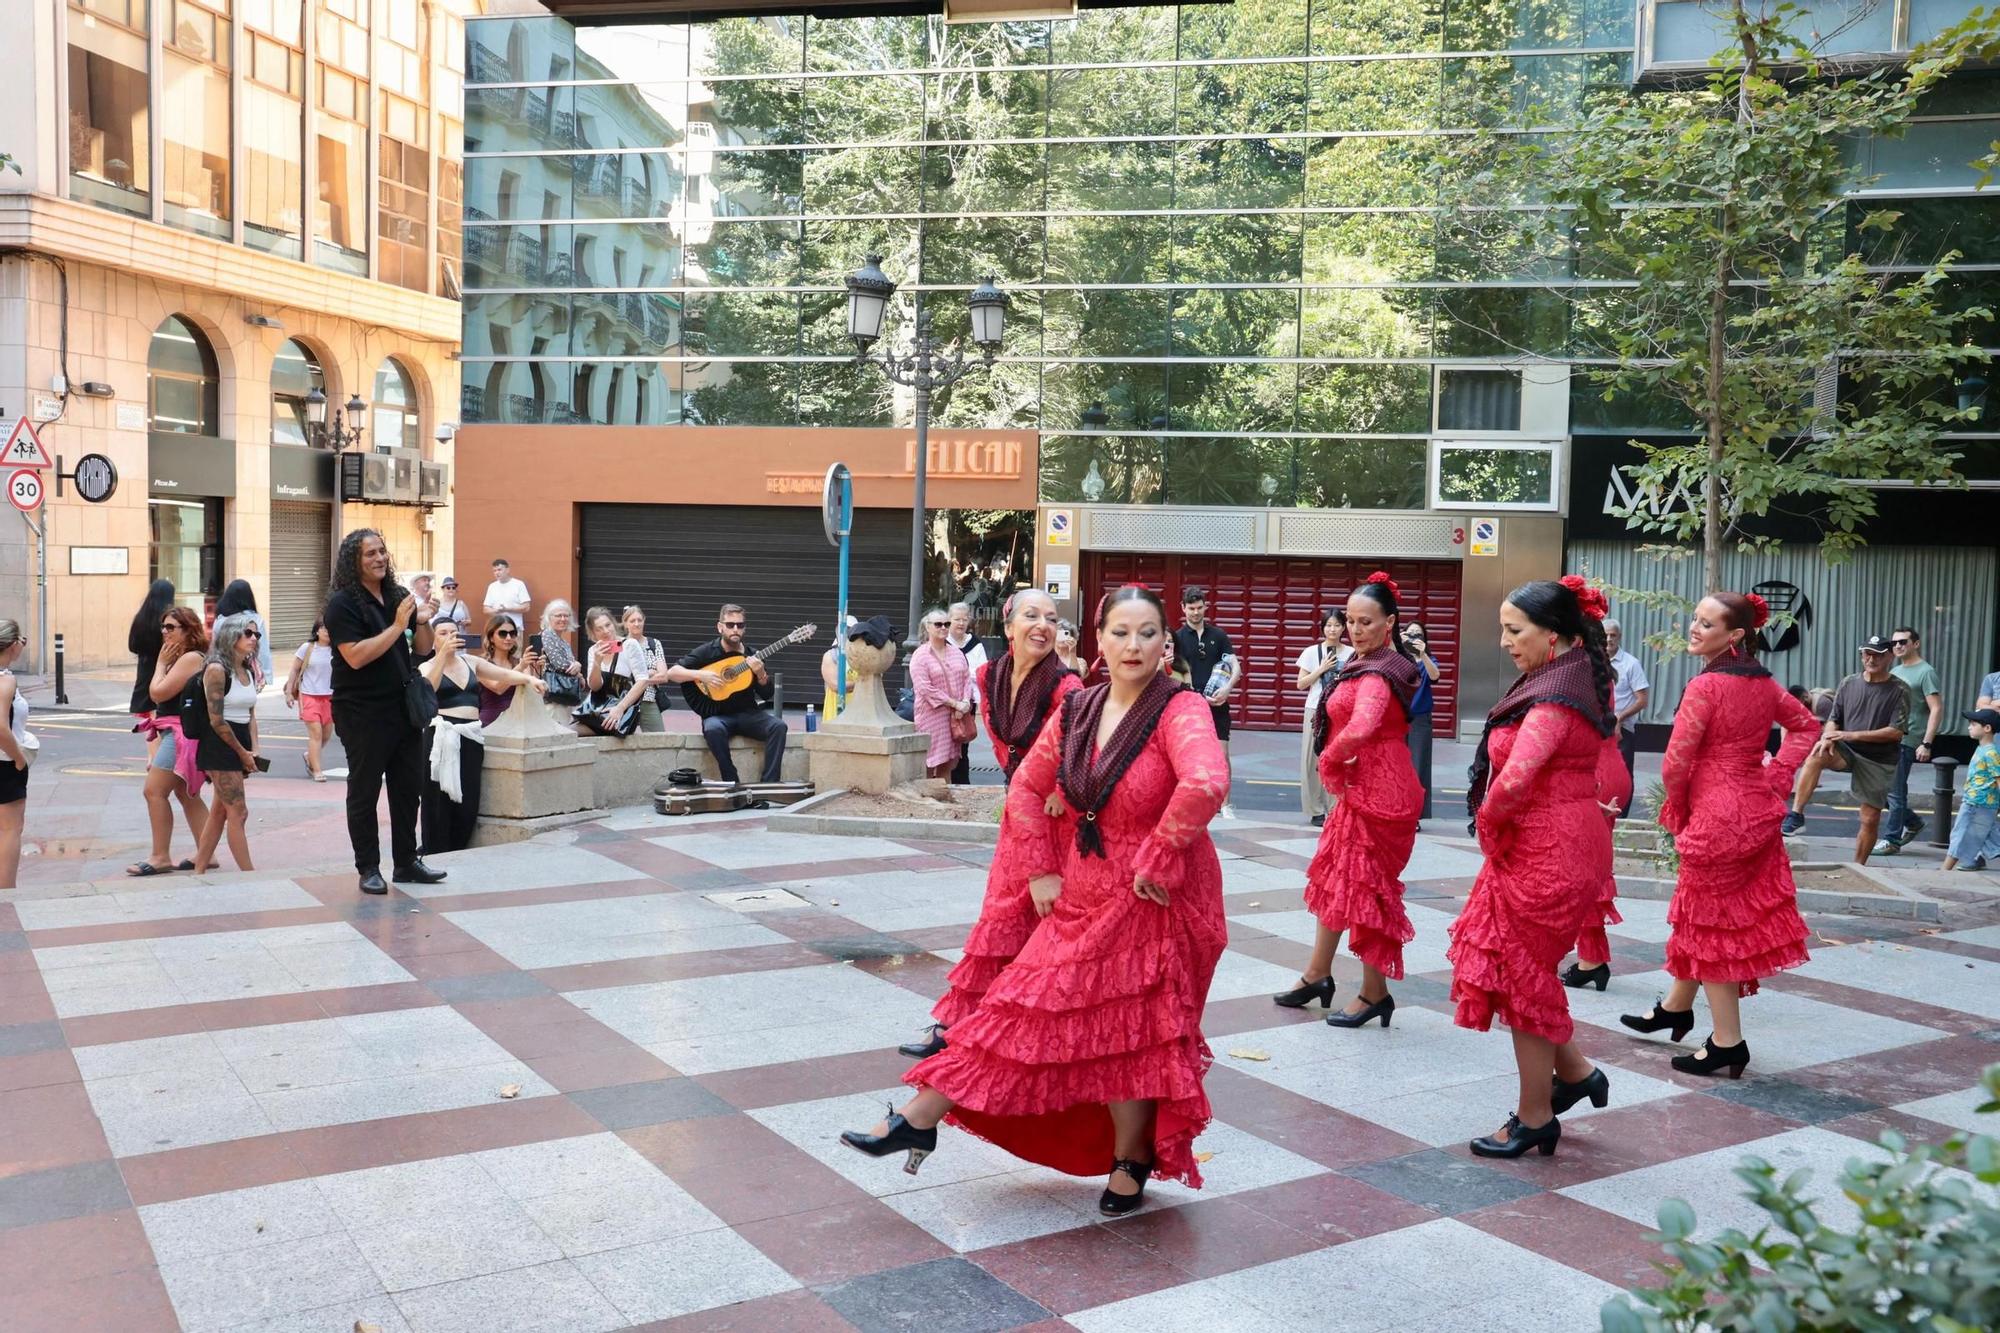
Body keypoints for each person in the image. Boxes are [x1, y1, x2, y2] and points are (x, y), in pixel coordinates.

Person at [843, 586, 1229, 1217]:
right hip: (1079, 890)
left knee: (1134, 1036)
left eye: (1148, 634)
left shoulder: (1179, 709)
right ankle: (922, 1116)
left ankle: (1127, 1160)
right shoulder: (1080, 709)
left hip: (1150, 898)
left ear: (1165, 644)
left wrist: (1161, 852)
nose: (1134, 645)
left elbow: (1207, 779)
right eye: (1121, 632)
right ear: (1098, 640)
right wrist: (1042, 871)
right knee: (1016, 1001)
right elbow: (1025, 788)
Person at [1449, 576, 1617, 1159]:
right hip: (1559, 839)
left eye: (1514, 630)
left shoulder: (1553, 696)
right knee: (1521, 968)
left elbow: (1517, 777)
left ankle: (1535, 1116)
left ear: (1555, 634)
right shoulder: (1565, 676)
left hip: (1547, 848)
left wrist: (1490, 830)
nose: (1504, 642)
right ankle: (1574, 1074)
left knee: (1522, 975)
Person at [1621, 592, 1820, 1080]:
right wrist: (1775, 778)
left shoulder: (1706, 686)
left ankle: (1728, 1042)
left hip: (1716, 815)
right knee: (1704, 915)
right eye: (1695, 618)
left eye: (1705, 624)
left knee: (1711, 924)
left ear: (1734, 637)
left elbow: (1676, 762)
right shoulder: (1765, 685)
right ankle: (1675, 1006)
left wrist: (1680, 809)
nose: (1694, 628)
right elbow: (1806, 726)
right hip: (1754, 810)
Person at [900, 590, 1083, 1059]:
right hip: (1017, 813)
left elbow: (1073, 762)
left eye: (1052, 618)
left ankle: (1018, 1023)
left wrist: (1046, 803)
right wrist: (1020, 794)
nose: (1044, 625)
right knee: (1000, 917)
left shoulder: (1069, 690)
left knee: (1039, 923)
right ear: (1008, 627)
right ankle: (959, 1021)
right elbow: (1005, 753)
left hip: (1056, 823)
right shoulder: (988, 675)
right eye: (1031, 615)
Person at [1278, 573, 1425, 1028]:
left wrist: (1331, 762)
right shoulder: (1362, 662)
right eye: (1351, 621)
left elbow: (1362, 726)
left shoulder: (1380, 672)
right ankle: (1318, 974)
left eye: (1366, 622)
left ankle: (1373, 992)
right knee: (1339, 880)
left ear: (1389, 623)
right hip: (1362, 788)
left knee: (1368, 889)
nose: (1355, 630)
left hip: (1380, 793)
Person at [324, 528, 445, 896]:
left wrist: (421, 620)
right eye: (369, 554)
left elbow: (422, 650)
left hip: (402, 706)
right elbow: (356, 656)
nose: (379, 558)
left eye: (381, 551)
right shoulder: (342, 604)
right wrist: (397, 625)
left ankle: (407, 861)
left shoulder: (395, 595)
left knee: (408, 788)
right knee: (364, 789)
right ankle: (368, 868)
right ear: (353, 561)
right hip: (361, 710)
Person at [1780, 635, 1909, 864]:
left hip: (1878, 758)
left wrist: (1850, 734)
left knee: (1869, 818)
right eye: (1867, 653)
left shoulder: (1899, 689)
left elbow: (1895, 732)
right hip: (1847, 749)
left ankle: (1859, 867)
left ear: (1889, 656)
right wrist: (1828, 737)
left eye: (1878, 654)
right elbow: (1834, 718)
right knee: (1817, 753)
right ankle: (1796, 815)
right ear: (1861, 655)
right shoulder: (1849, 682)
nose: (1871, 658)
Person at [421, 620, 545, 854]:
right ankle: (434, 850)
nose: (450, 637)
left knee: (468, 797)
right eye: (443, 633)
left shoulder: (471, 662)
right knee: (438, 798)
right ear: (434, 639)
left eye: (454, 633)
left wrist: (530, 678)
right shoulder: (427, 666)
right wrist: (441, 657)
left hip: (471, 735)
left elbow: (504, 676)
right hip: (442, 735)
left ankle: (458, 847)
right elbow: (429, 688)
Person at [127, 607, 212, 876]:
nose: (164, 632)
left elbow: (158, 693)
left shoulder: (189, 658)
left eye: (171, 627)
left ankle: (160, 856)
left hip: (179, 736)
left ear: (189, 630)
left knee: (154, 791)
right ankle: (206, 852)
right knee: (187, 794)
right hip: (177, 732)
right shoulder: (186, 657)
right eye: (163, 627)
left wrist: (161, 665)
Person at [667, 605, 789, 785]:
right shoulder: (707, 652)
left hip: (748, 713)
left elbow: (767, 693)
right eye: (730, 625)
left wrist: (761, 673)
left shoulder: (753, 655)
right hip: (717, 714)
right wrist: (701, 675)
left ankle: (769, 785)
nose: (735, 629)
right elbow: (672, 673)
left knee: (778, 727)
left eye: (740, 625)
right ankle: (731, 782)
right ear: (720, 627)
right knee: (712, 729)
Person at [1560, 719, 1633, 990]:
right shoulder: (1600, 678)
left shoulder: (1576, 677)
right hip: (1609, 762)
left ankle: (1591, 961)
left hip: (1597, 772)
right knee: (1590, 865)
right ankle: (1592, 959)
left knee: (1585, 869)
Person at [189, 613, 263, 873]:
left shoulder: (247, 669)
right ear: (231, 636)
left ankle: (198, 869)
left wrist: (254, 747)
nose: (254, 639)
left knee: (220, 812)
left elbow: (251, 713)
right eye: (248, 634)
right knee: (239, 812)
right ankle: (249, 874)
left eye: (256, 634)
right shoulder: (217, 670)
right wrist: (243, 753)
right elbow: (217, 720)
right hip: (220, 746)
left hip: (240, 744)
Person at [1878, 626, 1943, 855]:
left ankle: (1892, 840)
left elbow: (1936, 709)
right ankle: (1913, 822)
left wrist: (1926, 743)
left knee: (1895, 791)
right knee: (1880, 789)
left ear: (1915, 643)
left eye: (1903, 642)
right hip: (1889, 735)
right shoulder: (1895, 671)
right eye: (1894, 643)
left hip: (1909, 738)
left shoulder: (1926, 672)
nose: (1897, 646)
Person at [1295, 607, 1351, 824]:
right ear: (1323, 627)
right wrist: (1321, 669)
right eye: (1329, 625)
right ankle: (1315, 809)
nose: (1333, 629)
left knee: (1337, 758)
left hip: (1340, 711)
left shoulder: (1350, 653)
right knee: (1312, 759)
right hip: (1314, 709)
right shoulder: (1311, 652)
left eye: (1337, 625)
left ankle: (1335, 807)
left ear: (1343, 627)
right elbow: (1301, 684)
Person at [911, 608, 974, 780]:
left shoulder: (956, 652)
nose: (943, 628)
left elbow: (966, 679)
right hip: (932, 716)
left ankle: (945, 799)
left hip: (954, 717)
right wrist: (955, 703)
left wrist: (966, 702)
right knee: (930, 764)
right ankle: (928, 801)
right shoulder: (920, 656)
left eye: (947, 624)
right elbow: (924, 688)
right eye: (938, 624)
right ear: (928, 627)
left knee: (948, 762)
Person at [1942, 708, 2000, 871]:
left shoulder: (1990, 752)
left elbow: (1998, 778)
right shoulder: (1983, 749)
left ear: (1987, 728)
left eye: (1973, 724)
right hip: (1979, 801)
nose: (1969, 727)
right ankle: (1970, 861)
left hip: (1977, 803)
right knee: (1987, 836)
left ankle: (1943, 872)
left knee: (1960, 834)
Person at [1603, 618, 1650, 816]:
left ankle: (1622, 817)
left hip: (1622, 729)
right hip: (1598, 728)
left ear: (1619, 637)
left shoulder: (1631, 664)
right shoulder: (1592, 661)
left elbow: (1642, 700)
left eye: (1613, 635)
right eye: (1605, 635)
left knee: (1622, 773)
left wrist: (1619, 718)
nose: (1609, 639)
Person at [580, 606, 650, 736]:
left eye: (608, 625)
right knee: (568, 729)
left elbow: (643, 680)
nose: (606, 631)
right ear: (593, 633)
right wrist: (597, 662)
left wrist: (620, 709)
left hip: (623, 711)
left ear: (613, 623)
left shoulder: (629, 645)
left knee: (570, 732)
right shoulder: (593, 650)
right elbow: (595, 687)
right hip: (599, 709)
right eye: (599, 629)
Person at [0, 619, 32, 889]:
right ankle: (6, 892)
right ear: (12, 645)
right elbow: (0, 726)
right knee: (11, 828)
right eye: (23, 640)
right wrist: (19, 758)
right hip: (4, 763)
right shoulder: (5, 679)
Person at [129, 578, 176, 757]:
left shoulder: (141, 617)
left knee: (151, 716)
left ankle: (152, 757)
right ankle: (159, 758)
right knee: (161, 715)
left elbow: (132, 645)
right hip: (165, 669)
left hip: (145, 669)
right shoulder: (169, 620)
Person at [284, 619, 335, 781]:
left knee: (326, 734)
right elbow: (295, 670)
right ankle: (317, 770)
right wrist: (289, 691)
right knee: (316, 734)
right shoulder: (307, 648)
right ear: (317, 631)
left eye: (329, 628)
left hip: (330, 696)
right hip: (309, 695)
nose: (326, 631)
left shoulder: (337, 650)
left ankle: (309, 756)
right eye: (323, 628)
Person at [1403, 619, 1441, 820]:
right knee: (1397, 767)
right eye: (1411, 634)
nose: (1414, 638)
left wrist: (1422, 654)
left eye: (1418, 635)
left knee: (1418, 767)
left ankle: (1414, 815)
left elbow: (1435, 676)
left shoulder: (1429, 660)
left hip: (1420, 720)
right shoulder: (1398, 657)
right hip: (1398, 718)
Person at [946, 602, 986, 785]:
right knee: (946, 743)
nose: (961, 623)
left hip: (968, 701)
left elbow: (981, 672)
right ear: (949, 620)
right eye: (956, 619)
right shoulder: (943, 641)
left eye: (964, 619)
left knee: (963, 741)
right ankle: (944, 779)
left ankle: (962, 782)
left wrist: (962, 672)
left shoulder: (975, 644)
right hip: (946, 701)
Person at [620, 605, 671, 733]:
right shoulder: (619, 645)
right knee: (619, 739)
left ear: (644, 621)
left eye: (639, 620)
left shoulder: (654, 643)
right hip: (623, 700)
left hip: (648, 699)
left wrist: (639, 679)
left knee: (659, 739)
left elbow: (664, 676)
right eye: (632, 621)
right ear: (625, 624)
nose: (636, 624)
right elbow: (617, 676)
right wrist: (649, 673)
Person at [215, 579, 273, 685]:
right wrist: (266, 675)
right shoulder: (255, 619)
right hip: (247, 668)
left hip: (222, 666)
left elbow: (214, 646)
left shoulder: (220, 619)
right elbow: (263, 649)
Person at [475, 614, 530, 725]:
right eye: (503, 634)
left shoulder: (520, 662)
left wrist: (537, 669)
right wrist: (520, 667)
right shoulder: (480, 663)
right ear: (491, 637)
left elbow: (531, 692)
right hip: (490, 723)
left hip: (517, 723)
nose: (508, 638)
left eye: (512, 633)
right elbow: (498, 688)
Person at [533, 600, 582, 716]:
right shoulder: (547, 635)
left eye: (566, 615)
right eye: (558, 615)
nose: (563, 619)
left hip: (564, 695)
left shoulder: (564, 642)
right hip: (553, 695)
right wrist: (578, 670)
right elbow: (559, 664)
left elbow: (570, 664)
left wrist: (577, 666)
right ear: (549, 618)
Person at [820, 617, 858, 718]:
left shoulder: (861, 656)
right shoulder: (831, 656)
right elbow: (836, 685)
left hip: (858, 712)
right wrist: (862, 684)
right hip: (836, 712)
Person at [482, 557, 531, 630]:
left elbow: (526, 607)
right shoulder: (492, 586)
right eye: (494, 571)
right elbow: (485, 609)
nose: (497, 573)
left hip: (515, 627)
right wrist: (497, 610)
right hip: (497, 627)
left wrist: (508, 609)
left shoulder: (518, 584)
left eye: (499, 570)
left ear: (507, 570)